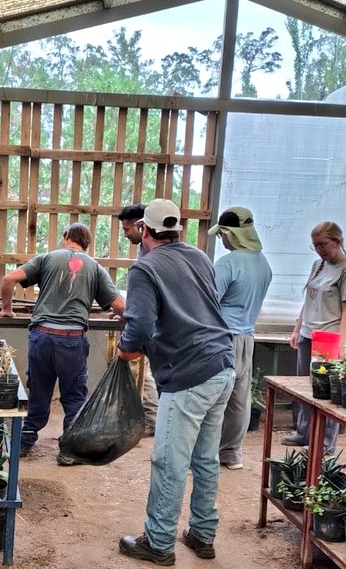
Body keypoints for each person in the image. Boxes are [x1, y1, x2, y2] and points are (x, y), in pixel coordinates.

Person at [116, 199, 235, 566]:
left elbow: (139, 325)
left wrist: (125, 352)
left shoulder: (145, 268)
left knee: (169, 461)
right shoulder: (199, 256)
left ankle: (159, 542)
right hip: (223, 365)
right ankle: (202, 533)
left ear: (144, 231)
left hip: (188, 375)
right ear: (177, 229)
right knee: (205, 458)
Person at [0, 222, 125, 462]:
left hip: (42, 336)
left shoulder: (46, 259)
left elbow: (8, 279)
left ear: (66, 236)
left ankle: (24, 443)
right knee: (74, 396)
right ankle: (69, 451)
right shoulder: (95, 268)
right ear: (87, 244)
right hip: (71, 340)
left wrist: (7, 309)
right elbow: (121, 306)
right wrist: (119, 315)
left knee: (39, 390)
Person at [282, 221, 346, 455]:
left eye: (323, 245)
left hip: (328, 339)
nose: (319, 250)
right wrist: (297, 329)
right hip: (308, 334)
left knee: (325, 392)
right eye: (315, 245)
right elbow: (308, 300)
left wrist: (342, 342)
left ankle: (325, 443)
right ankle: (303, 432)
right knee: (305, 388)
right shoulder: (318, 265)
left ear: (337, 242)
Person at [207, 207, 273, 470]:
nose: (222, 239)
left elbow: (209, 302)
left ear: (233, 235)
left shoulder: (229, 263)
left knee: (212, 398)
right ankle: (232, 453)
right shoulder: (263, 263)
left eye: (223, 234)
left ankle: (205, 454)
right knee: (239, 399)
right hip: (246, 337)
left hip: (222, 338)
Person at [118, 203, 158, 436]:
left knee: (145, 372)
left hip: (149, 325)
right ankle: (144, 417)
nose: (125, 234)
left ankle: (151, 420)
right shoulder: (143, 250)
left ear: (140, 226)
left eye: (126, 229)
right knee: (142, 372)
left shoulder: (151, 253)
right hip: (146, 320)